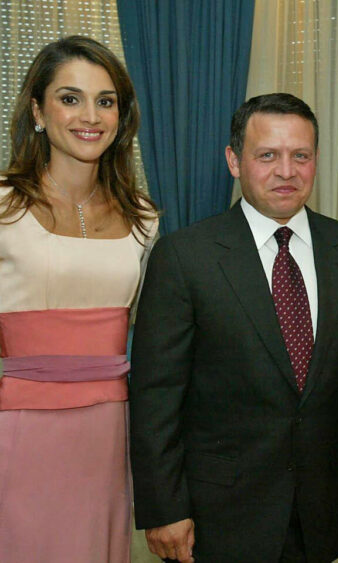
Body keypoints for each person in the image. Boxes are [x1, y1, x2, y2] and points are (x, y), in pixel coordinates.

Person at [129, 92, 338, 562]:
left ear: (315, 161)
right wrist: (163, 507)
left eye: (299, 155)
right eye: (267, 155)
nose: (286, 171)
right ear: (234, 161)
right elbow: (155, 396)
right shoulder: (185, 257)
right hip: (216, 516)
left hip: (319, 510)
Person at [0, 36, 158, 562]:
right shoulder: (2, 204)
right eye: (70, 98)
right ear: (38, 110)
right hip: (17, 433)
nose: (90, 116)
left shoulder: (143, 216)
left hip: (108, 433)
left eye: (105, 101)